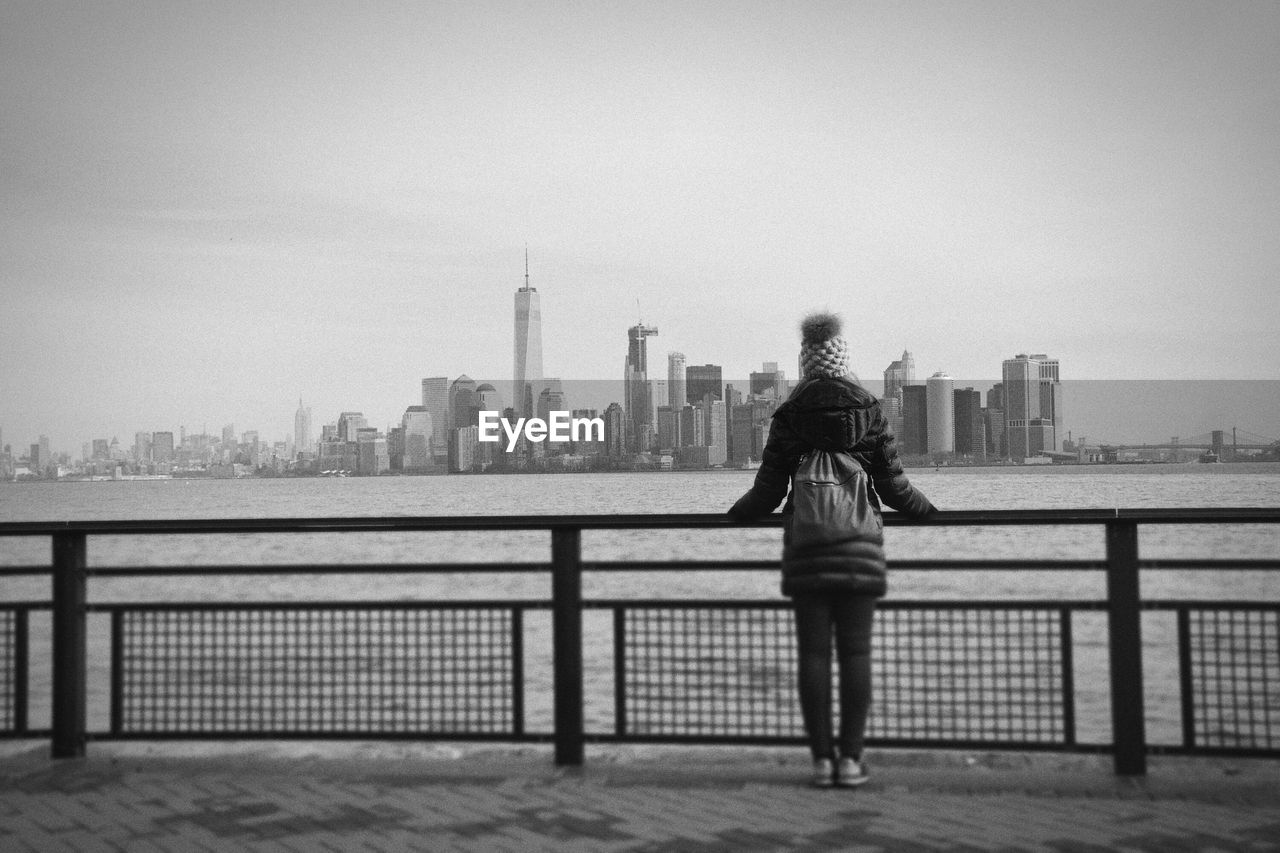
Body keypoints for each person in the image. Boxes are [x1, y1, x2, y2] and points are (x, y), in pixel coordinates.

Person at [728, 311, 935, 788]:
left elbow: (766, 495)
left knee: (814, 657)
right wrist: (933, 515)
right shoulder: (871, 412)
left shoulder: (788, 416)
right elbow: (897, 490)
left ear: (806, 364)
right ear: (843, 362)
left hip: (807, 549)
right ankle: (851, 760)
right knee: (857, 656)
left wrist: (731, 517)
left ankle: (821, 761)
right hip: (860, 548)